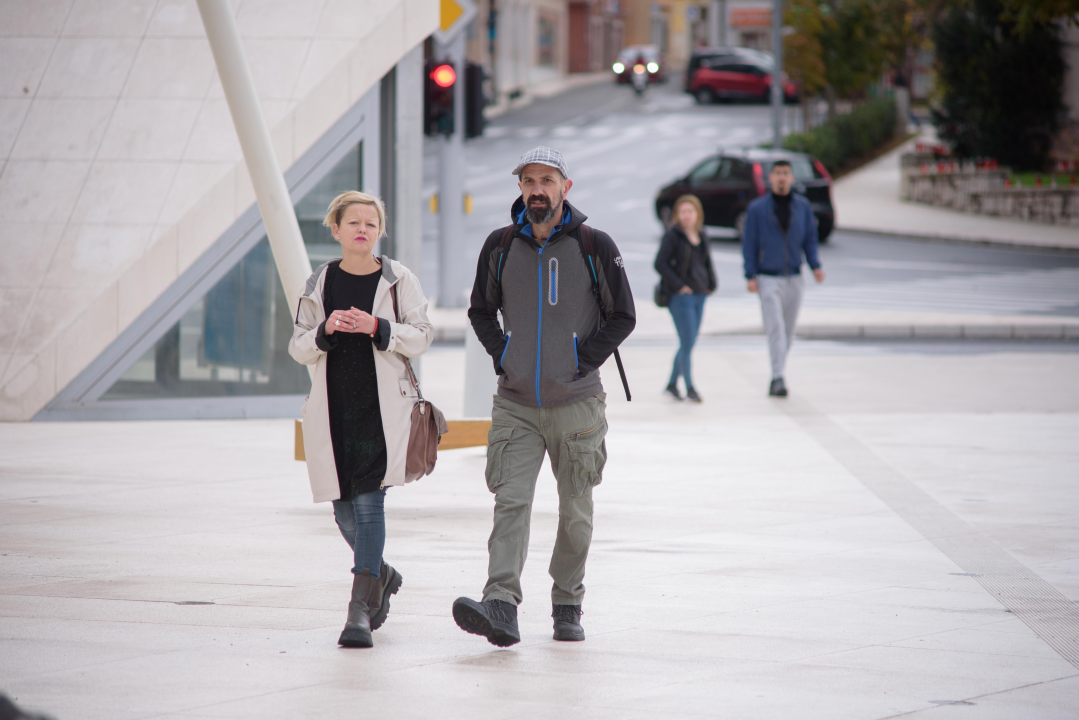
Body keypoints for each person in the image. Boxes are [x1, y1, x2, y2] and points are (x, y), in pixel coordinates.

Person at [454, 146, 636, 646]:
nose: (538, 190)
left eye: (547, 181)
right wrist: (504, 355)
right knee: (510, 503)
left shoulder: (594, 245)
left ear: (565, 188)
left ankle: (567, 603)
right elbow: (480, 310)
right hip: (515, 403)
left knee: (575, 513)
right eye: (530, 181)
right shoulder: (499, 246)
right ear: (520, 188)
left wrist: (581, 361)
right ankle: (500, 604)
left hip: (577, 406)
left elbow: (623, 315)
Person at [289, 190, 433, 648]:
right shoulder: (320, 281)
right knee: (344, 514)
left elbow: (423, 335)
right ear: (336, 229)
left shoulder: (398, 279)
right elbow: (297, 346)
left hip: (381, 411)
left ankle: (358, 612)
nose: (363, 230)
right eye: (354, 223)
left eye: (371, 224)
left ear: (380, 231)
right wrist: (325, 330)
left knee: (370, 507)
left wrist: (378, 327)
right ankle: (380, 574)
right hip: (334, 412)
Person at [741, 160, 825, 397]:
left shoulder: (802, 207)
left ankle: (778, 370)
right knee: (775, 327)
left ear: (791, 178)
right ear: (770, 178)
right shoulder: (758, 209)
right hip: (768, 277)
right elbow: (749, 243)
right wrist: (750, 274)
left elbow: (810, 238)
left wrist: (815, 266)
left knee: (788, 331)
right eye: (777, 173)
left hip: (795, 277)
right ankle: (778, 377)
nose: (781, 177)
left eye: (785, 173)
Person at [654, 194, 717, 402]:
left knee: (688, 342)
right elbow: (660, 263)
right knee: (688, 341)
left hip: (700, 295)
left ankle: (672, 384)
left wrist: (711, 285)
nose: (686, 216)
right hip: (681, 297)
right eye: (682, 212)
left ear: (697, 214)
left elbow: (707, 262)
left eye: (690, 211)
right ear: (677, 215)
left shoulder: (702, 234)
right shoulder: (672, 236)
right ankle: (690, 388)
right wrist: (680, 286)